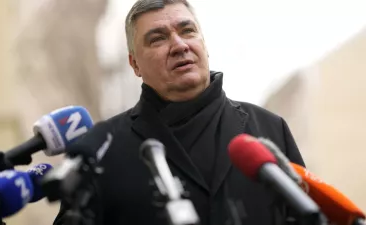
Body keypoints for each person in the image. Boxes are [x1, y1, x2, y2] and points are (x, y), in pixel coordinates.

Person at [54, 0, 306, 224]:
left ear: (204, 45)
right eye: (158, 38)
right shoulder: (103, 147)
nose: (179, 45)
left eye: (187, 31)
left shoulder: (270, 129)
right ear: (135, 64)